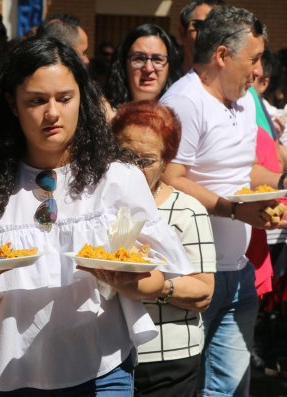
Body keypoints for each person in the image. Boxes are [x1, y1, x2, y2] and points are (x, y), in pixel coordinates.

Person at [0, 35, 194, 395]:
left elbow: (154, 277)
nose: (52, 113)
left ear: (81, 99)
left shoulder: (117, 178)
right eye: (36, 101)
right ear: (12, 104)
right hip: (13, 372)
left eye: (64, 98)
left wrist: (123, 279)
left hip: (103, 368)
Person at [160, 6, 287, 395]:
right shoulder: (184, 101)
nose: (257, 71)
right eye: (253, 59)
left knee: (231, 388)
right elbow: (169, 178)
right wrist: (233, 209)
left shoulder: (246, 101)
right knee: (184, 387)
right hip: (189, 271)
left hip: (239, 268)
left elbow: (245, 167)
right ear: (221, 56)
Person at [112, 100, 216, 396]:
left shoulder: (187, 211)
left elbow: (204, 291)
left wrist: (155, 286)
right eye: (125, 155)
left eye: (146, 160)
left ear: (165, 162)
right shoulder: (99, 205)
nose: (134, 167)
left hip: (168, 356)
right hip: (108, 355)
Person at [105, 24, 181, 109]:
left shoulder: (182, 115)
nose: (148, 68)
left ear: (169, 66)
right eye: (139, 59)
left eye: (157, 59)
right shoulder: (106, 116)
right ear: (124, 64)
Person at [177, 0, 226, 73]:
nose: (210, 33)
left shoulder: (235, 81)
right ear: (182, 33)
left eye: (218, 27)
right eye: (201, 26)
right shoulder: (162, 80)